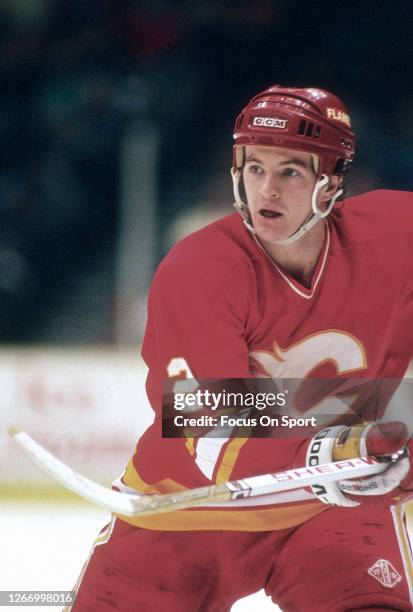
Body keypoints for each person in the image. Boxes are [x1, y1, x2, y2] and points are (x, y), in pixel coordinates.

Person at [71, 86, 413, 611]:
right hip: (185, 507)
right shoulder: (201, 269)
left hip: (327, 514)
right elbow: (210, 428)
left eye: (291, 172)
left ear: (332, 182)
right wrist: (331, 452)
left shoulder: (396, 235)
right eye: (255, 168)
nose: (267, 190)